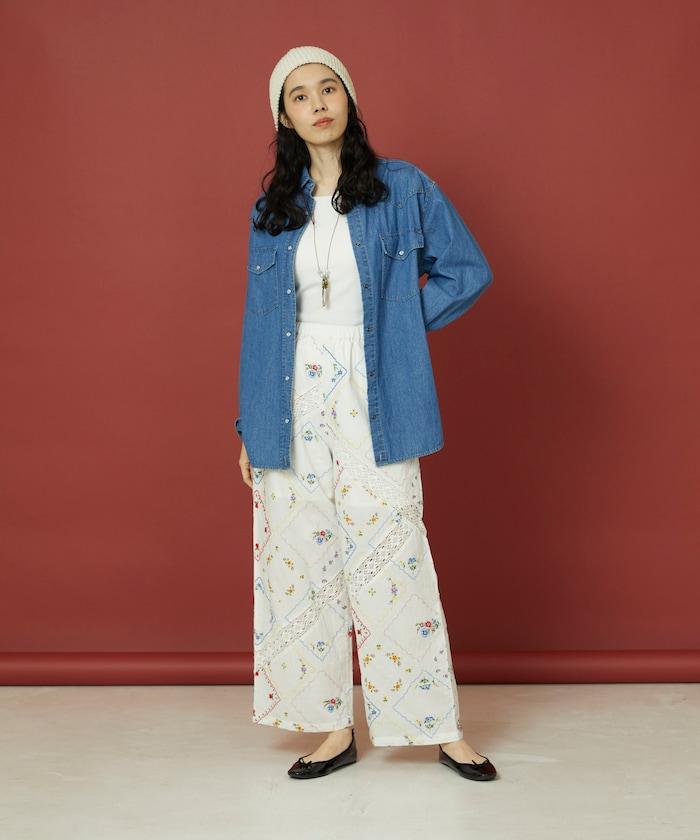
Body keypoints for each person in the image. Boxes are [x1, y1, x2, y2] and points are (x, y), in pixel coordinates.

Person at [235, 45, 498, 781]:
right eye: (299, 96)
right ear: (284, 118)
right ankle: (329, 727)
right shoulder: (272, 210)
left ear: (348, 99)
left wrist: (397, 329)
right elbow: (259, 323)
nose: (317, 103)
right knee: (297, 562)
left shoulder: (402, 187)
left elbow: (466, 271)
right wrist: (249, 424)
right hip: (287, 392)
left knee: (394, 550)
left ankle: (437, 725)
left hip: (373, 386)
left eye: (328, 88)